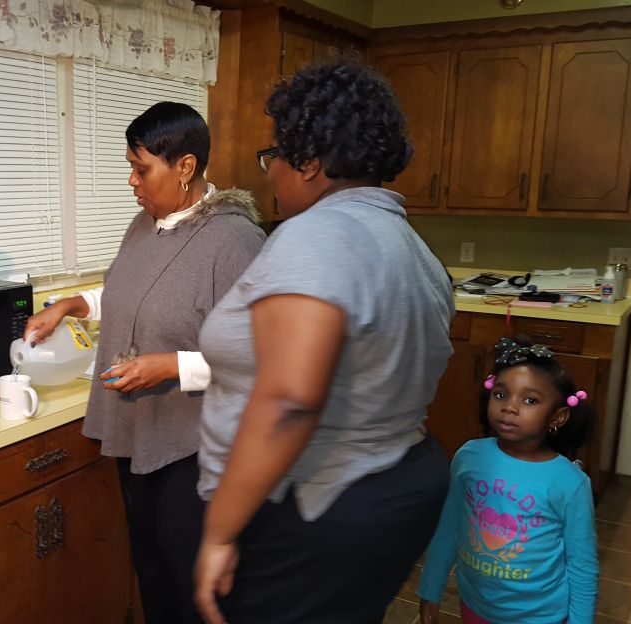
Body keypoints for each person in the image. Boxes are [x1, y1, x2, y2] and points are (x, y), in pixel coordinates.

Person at [192, 57, 455, 624]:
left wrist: (220, 532)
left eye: (274, 157)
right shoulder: (412, 248)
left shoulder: (315, 235)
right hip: (395, 486)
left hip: (320, 501)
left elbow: (288, 402)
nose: (270, 173)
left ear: (309, 161)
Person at [24, 101, 265, 624]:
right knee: (152, 570)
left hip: (197, 445)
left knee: (191, 583)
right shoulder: (145, 223)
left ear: (185, 167)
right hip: (138, 428)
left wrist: (171, 366)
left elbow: (259, 354)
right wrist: (68, 306)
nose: (132, 182)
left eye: (142, 169)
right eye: (130, 168)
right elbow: (126, 291)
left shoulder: (235, 239)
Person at [418, 336, 598, 624]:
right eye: (501, 394)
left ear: (559, 416)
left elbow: (582, 565)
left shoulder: (569, 482)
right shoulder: (468, 457)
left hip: (540, 616)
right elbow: (449, 525)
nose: (510, 407)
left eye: (530, 400)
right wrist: (431, 588)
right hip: (476, 606)